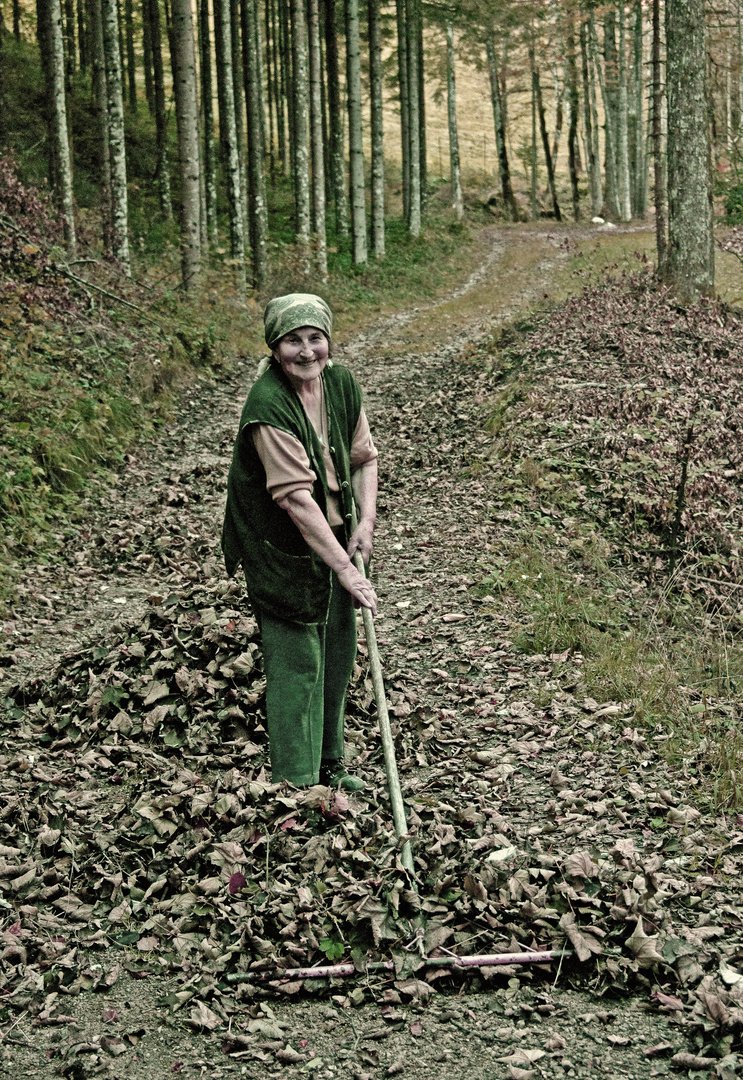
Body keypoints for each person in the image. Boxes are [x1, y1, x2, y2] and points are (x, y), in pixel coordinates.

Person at [222, 294, 378, 791]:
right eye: (293, 341)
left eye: (316, 339)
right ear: (274, 348)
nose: (307, 351)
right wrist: (346, 570)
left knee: (337, 649)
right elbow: (295, 500)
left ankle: (331, 762)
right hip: (283, 550)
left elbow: (363, 459)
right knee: (297, 664)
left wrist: (366, 521)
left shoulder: (340, 383)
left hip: (334, 538)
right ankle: (296, 783)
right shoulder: (268, 406)